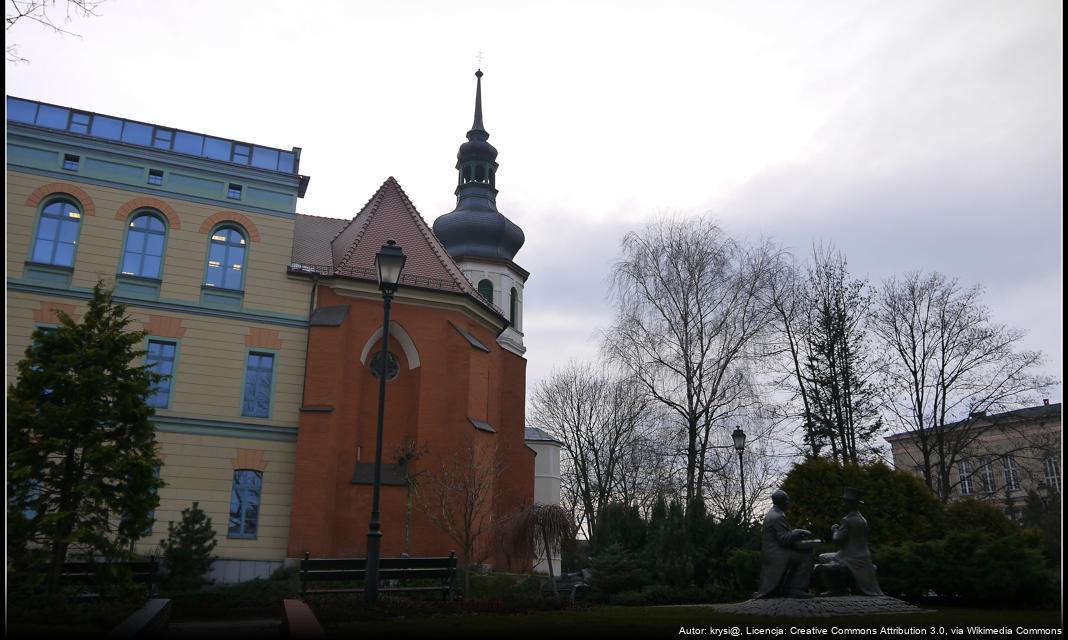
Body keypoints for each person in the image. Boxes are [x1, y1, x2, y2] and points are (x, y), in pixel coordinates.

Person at [814, 487, 883, 596]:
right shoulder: (863, 519)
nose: (843, 504)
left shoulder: (848, 520)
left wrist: (835, 530)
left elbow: (837, 540)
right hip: (863, 556)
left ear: (850, 503)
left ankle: (836, 589)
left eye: (845, 502)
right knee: (826, 557)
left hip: (851, 556)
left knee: (822, 557)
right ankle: (838, 588)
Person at [755, 489, 815, 599]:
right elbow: (783, 539)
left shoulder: (774, 513)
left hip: (772, 551)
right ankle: (795, 589)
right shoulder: (778, 516)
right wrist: (798, 532)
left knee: (803, 553)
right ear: (782, 502)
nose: (788, 503)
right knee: (806, 557)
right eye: (787, 501)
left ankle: (790, 587)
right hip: (776, 553)